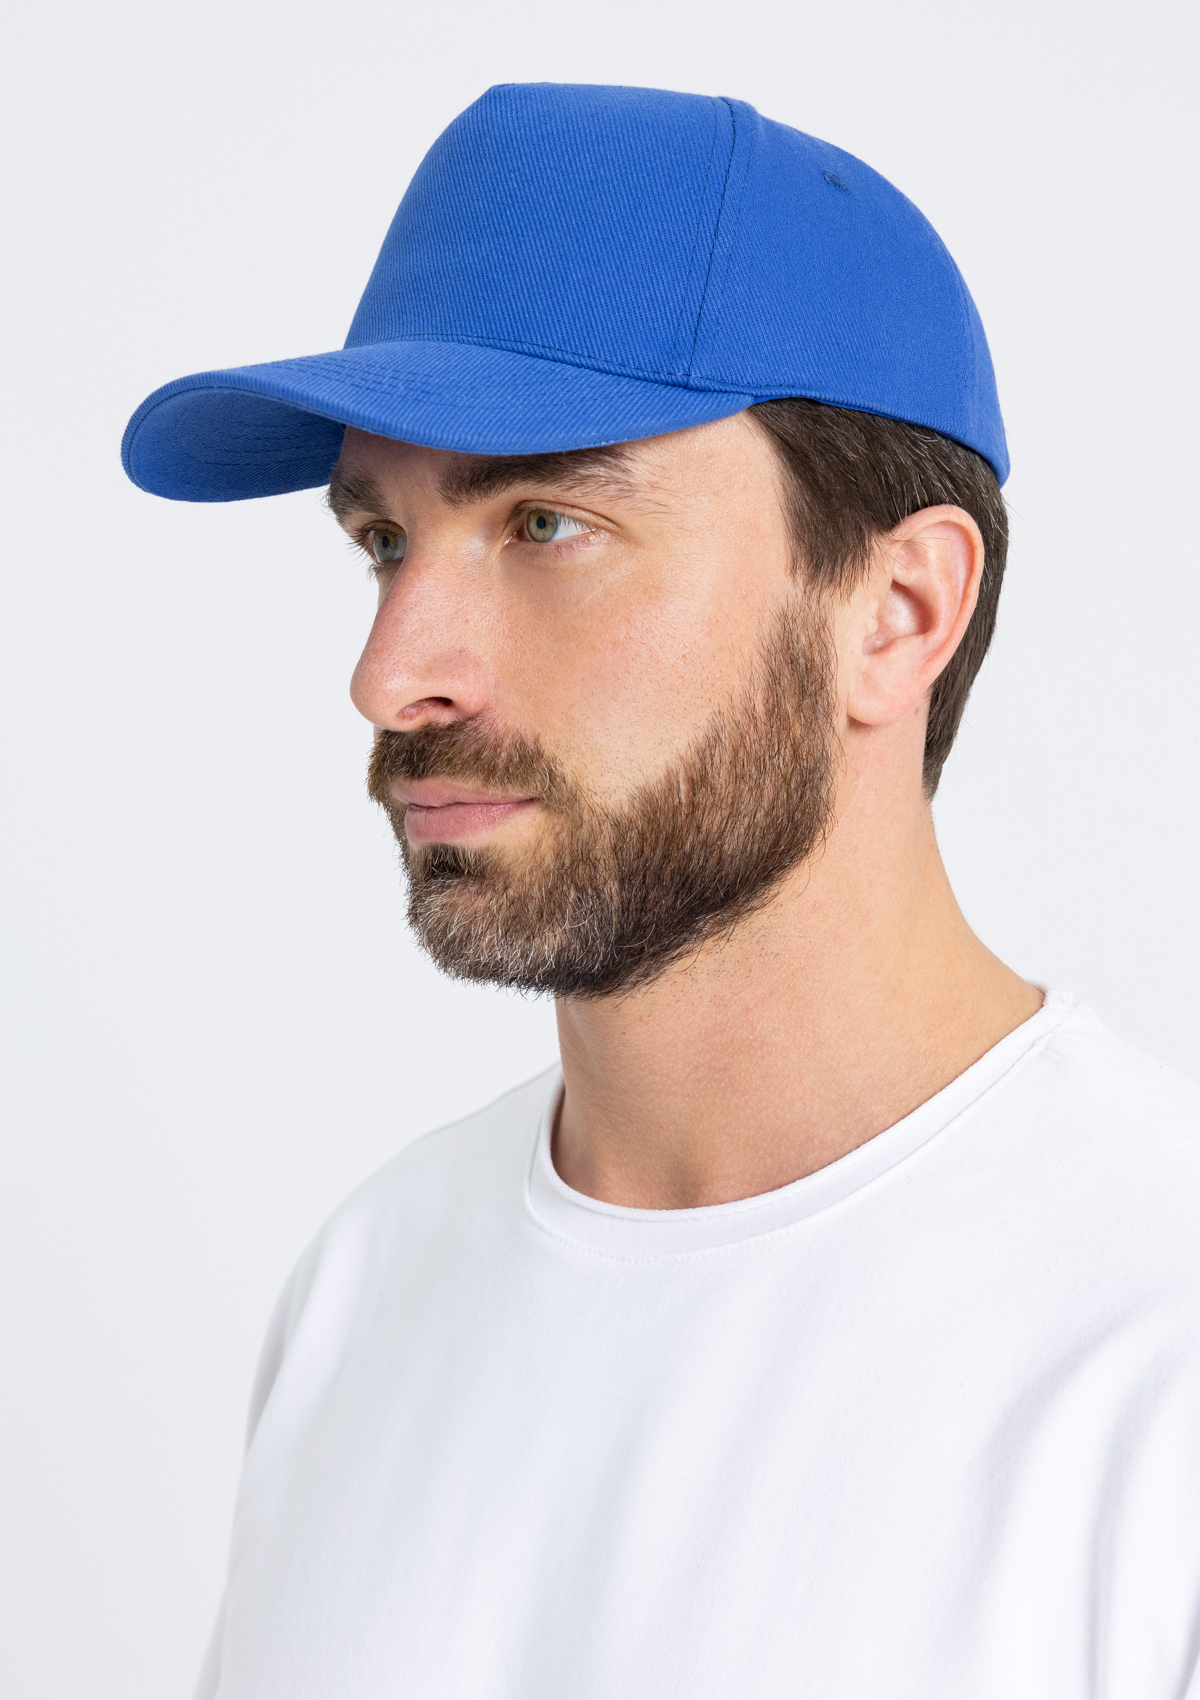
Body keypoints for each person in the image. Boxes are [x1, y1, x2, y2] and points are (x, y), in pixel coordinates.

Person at [123, 83, 1200, 1700]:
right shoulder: (369, 1284)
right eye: (383, 542)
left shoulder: (1155, 1337)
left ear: (898, 610)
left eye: (547, 521)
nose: (391, 674)